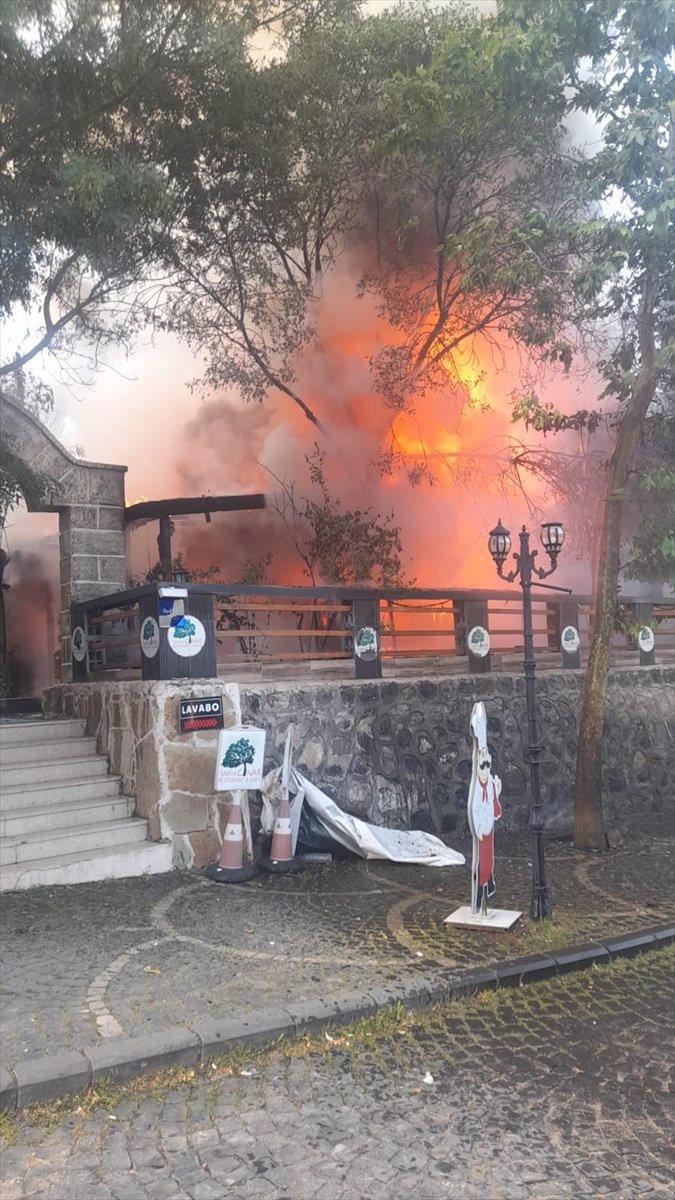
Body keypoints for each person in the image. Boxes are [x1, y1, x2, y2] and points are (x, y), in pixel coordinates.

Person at [468, 702, 503, 914]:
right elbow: (475, 808)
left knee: (489, 862)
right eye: (483, 766)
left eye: (487, 765)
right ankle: (480, 895)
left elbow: (496, 810)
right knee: (480, 865)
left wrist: (496, 794)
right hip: (482, 829)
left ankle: (488, 887)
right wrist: (479, 826)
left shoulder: (489, 784)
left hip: (489, 829)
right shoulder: (478, 788)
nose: (485, 769)